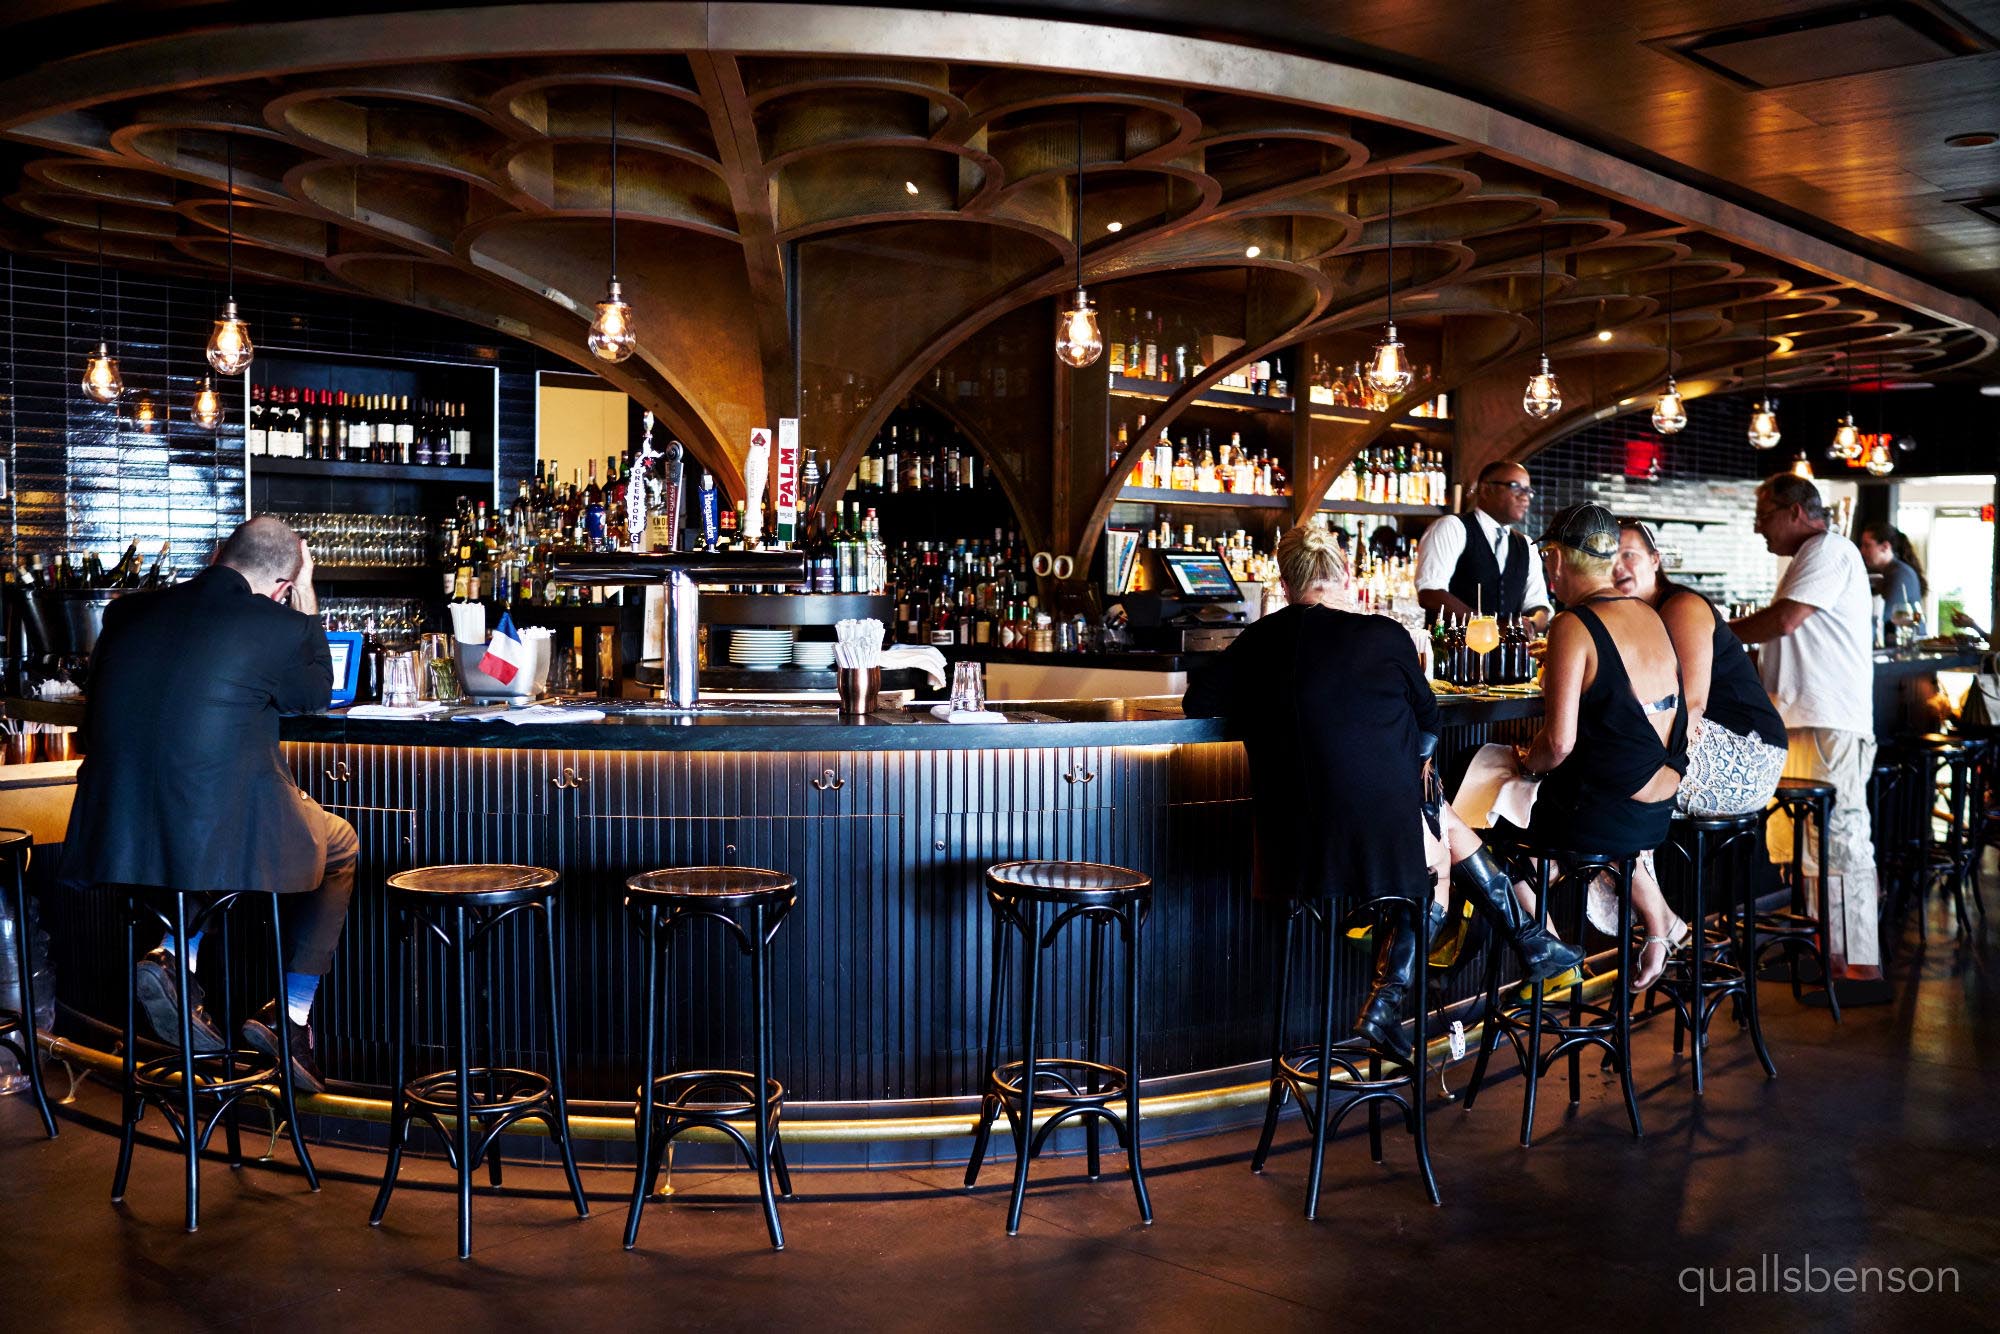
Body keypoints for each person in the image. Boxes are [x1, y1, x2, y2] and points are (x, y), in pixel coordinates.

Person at [1185, 524, 1582, 1060]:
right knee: (1433, 849)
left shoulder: (1259, 639)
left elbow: (1198, 703)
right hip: (1375, 846)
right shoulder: (1385, 635)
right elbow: (1427, 718)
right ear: (1346, 575)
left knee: (1433, 821)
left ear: (1283, 583)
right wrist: (1413, 767)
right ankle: (1403, 994)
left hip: (1287, 841)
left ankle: (1528, 944)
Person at [60, 516, 355, 1091]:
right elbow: (318, 694)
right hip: (212, 825)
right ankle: (291, 1017)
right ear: (283, 586)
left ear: (218, 553)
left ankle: (174, 956)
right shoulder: (277, 623)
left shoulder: (127, 612)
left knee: (212, 830)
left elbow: (98, 727)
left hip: (114, 828)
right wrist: (308, 600)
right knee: (337, 842)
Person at [1611, 520, 1787, 987]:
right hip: (1687, 749)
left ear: (1655, 560)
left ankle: (1658, 924)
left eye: (1629, 554)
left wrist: (1647, 762)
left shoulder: (1682, 606)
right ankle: (1659, 922)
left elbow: (1690, 704)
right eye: (1607, 557)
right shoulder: (1624, 619)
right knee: (1600, 788)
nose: (1618, 566)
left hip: (1746, 755)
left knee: (1609, 784)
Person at [1494, 503, 1688, 921]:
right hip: (1658, 810)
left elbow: (1558, 744)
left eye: (1548, 556)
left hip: (1608, 813)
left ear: (1556, 560)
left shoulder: (1573, 623)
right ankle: (1659, 927)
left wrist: (1527, 764)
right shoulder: (1648, 613)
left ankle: (1547, 946)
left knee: (1493, 829)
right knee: (1534, 811)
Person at [1731, 475, 1881, 987]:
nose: (1758, 528)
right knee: (1809, 845)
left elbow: (1786, 621)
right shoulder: (1810, 556)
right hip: (1802, 720)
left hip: (1829, 720)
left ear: (1796, 511)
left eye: (1764, 515)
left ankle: (1859, 965)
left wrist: (1715, 634)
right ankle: (1826, 952)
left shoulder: (1828, 548)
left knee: (1840, 842)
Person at [1414, 460, 1551, 625]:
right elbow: (1430, 594)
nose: (1524, 497)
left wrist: (1531, 624)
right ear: (1486, 489)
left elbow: (1538, 605)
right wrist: (1488, 626)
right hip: (1451, 641)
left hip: (1507, 643)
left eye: (1528, 491)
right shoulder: (1452, 527)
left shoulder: (1527, 545)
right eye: (1515, 487)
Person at [1858, 521, 1927, 641]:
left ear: (1885, 547)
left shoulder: (1900, 574)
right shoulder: (1890, 572)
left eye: (1867, 545)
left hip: (1909, 643)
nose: (1862, 551)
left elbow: (1883, 617)